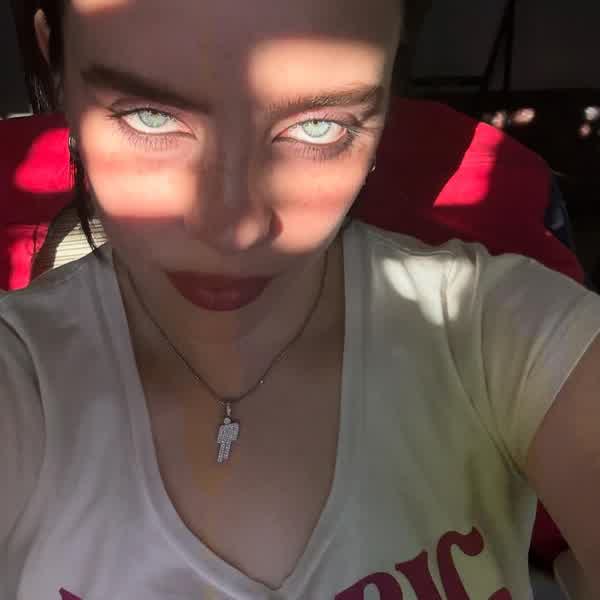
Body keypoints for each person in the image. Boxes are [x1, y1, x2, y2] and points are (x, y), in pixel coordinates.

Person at [2, 0, 600, 598]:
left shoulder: (493, 334)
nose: (233, 230)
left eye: (319, 126)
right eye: (150, 116)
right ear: (57, 66)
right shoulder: (21, 381)